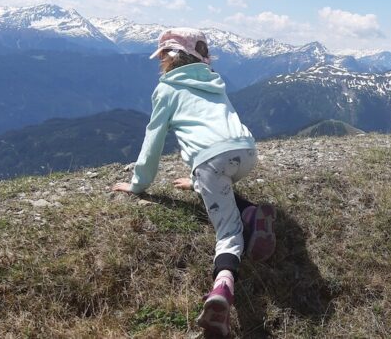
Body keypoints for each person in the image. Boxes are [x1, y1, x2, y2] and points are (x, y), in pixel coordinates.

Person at [111, 28, 274, 337]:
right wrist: (197, 181)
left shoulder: (166, 89)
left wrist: (138, 184)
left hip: (211, 161)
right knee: (213, 185)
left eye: (161, 56)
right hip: (247, 151)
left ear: (168, 57)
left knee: (229, 234)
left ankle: (222, 289)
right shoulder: (214, 80)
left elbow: (153, 141)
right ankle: (252, 213)